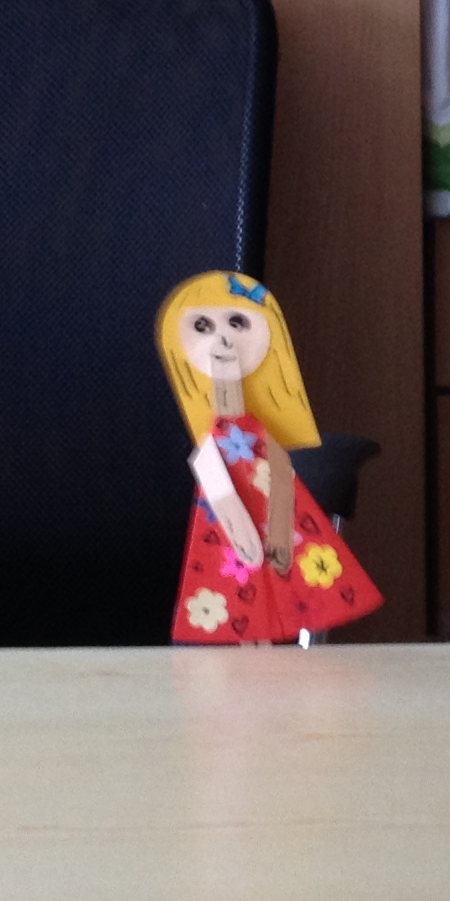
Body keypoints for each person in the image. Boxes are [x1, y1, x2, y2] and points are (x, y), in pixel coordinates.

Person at [157, 271, 381, 644]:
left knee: (274, 607)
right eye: (202, 326)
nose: (222, 339)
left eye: (237, 322)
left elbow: (280, 475)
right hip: (232, 543)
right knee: (239, 608)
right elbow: (209, 468)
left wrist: (278, 530)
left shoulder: (259, 431)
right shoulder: (215, 436)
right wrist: (236, 523)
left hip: (275, 539)